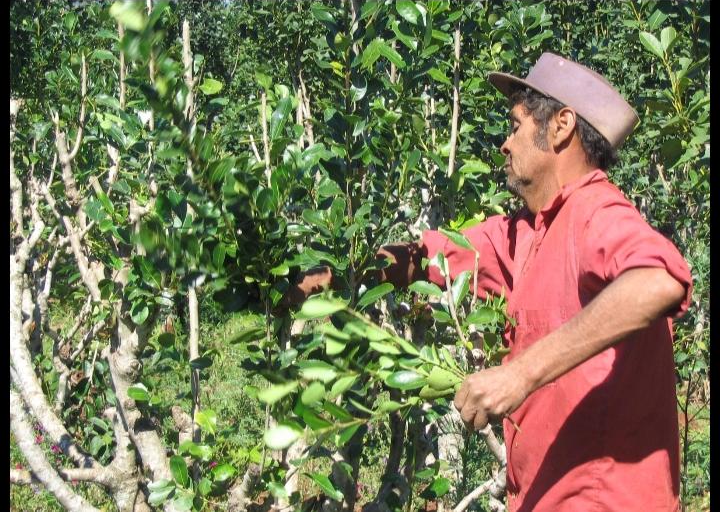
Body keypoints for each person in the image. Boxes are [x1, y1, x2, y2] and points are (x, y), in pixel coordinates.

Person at [281, 53, 692, 511]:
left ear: (561, 126)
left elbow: (658, 281)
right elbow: (419, 260)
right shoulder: (525, 233)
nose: (504, 143)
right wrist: (320, 280)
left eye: (515, 126)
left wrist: (519, 374)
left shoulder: (595, 213)